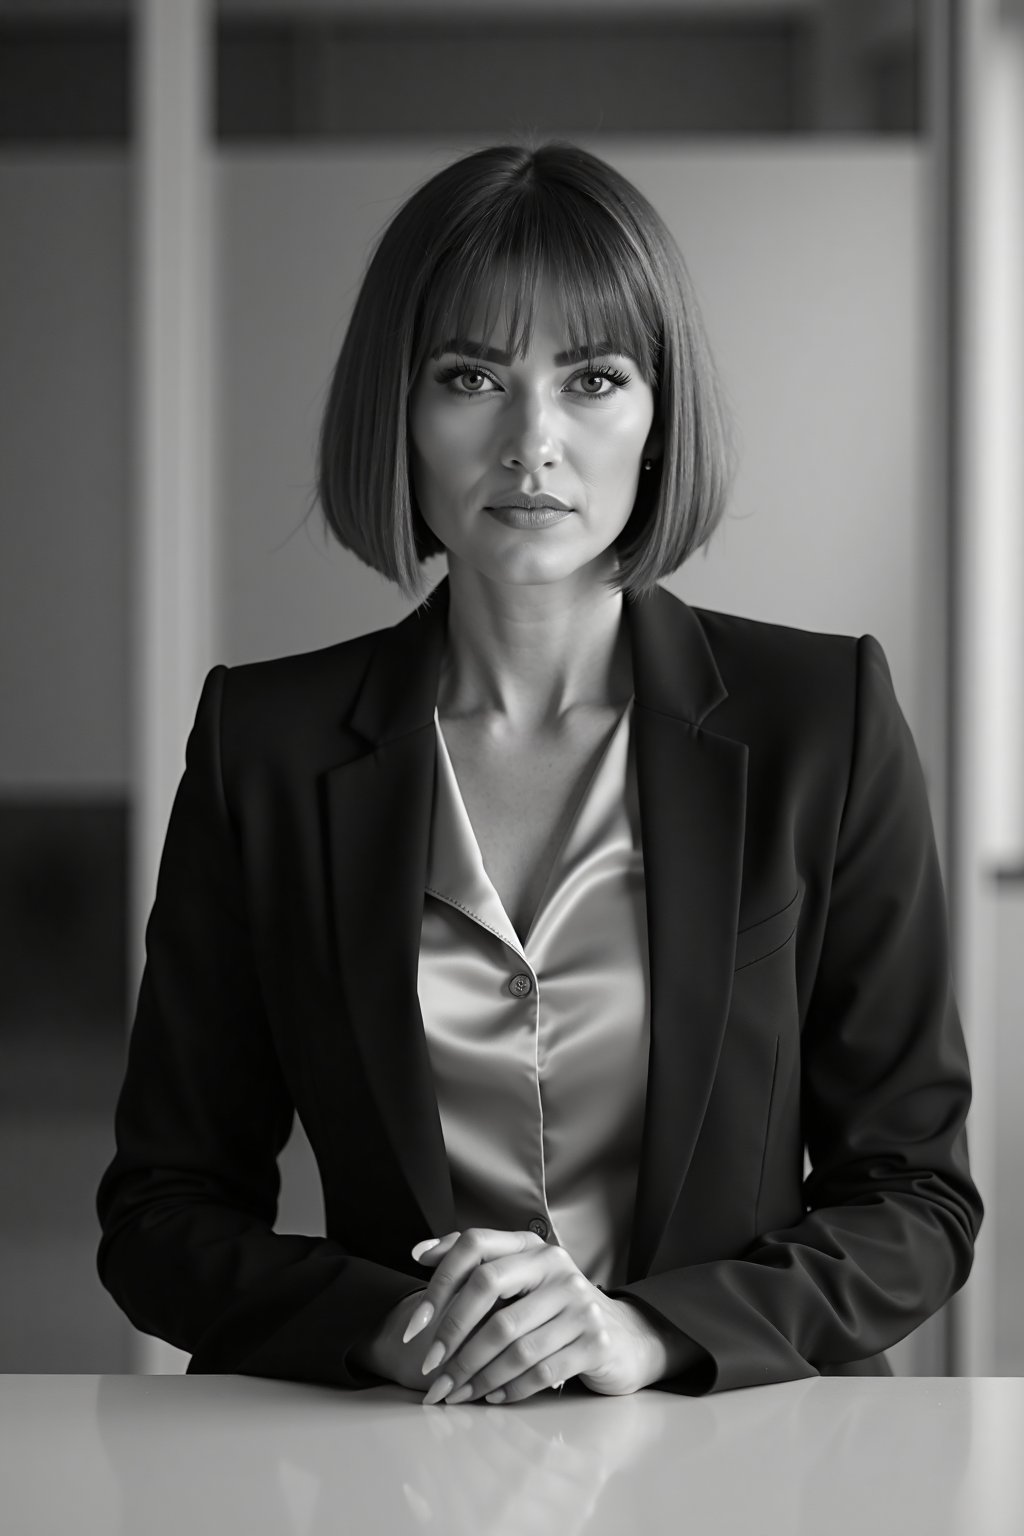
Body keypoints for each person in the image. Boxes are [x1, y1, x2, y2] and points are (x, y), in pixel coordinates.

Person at [96, 140, 982, 1406]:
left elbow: (913, 1195)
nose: (533, 442)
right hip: (399, 1458)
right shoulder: (266, 744)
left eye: (592, 378)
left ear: (657, 412)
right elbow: (162, 1208)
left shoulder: (820, 717)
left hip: (745, 1463)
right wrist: (389, 1327)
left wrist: (649, 1333)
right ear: (396, 410)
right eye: (471, 376)